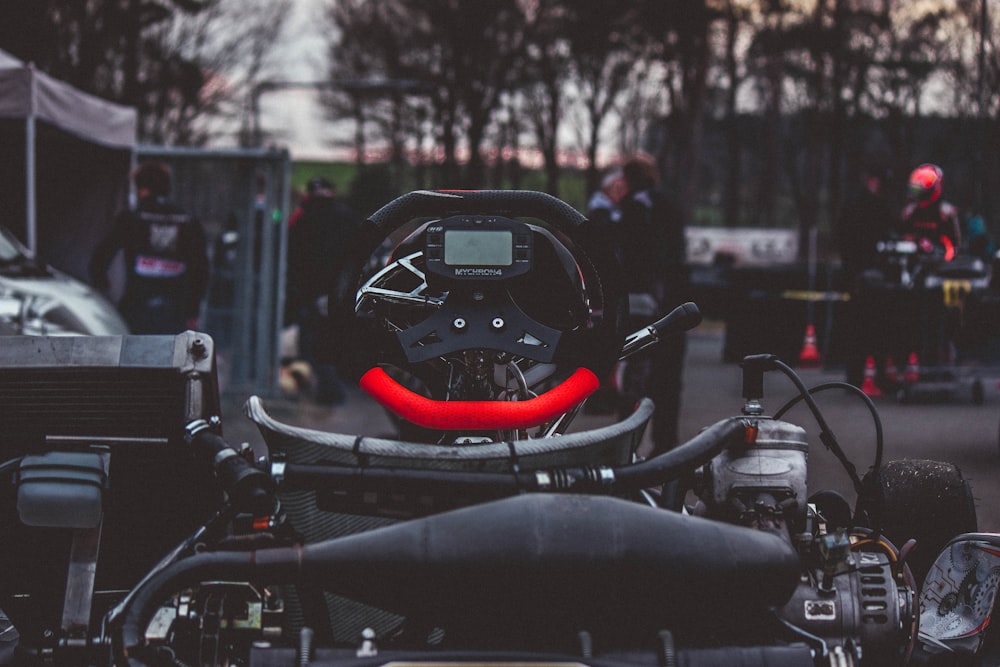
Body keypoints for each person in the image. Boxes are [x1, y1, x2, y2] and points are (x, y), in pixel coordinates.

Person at [616, 154, 689, 460]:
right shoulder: (669, 204)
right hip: (672, 299)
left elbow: (625, 254)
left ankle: (623, 439)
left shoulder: (633, 207)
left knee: (633, 371)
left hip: (639, 301)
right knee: (668, 377)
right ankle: (665, 440)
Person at [89, 162, 209, 334]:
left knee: (134, 355)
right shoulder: (188, 221)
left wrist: (103, 290)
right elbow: (201, 270)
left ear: (142, 189)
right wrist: (192, 311)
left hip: (136, 305)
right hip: (175, 309)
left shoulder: (132, 218)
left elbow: (100, 258)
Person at [286, 176, 362, 406]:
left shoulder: (303, 218)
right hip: (343, 288)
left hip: (312, 290)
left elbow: (294, 257)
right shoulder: (347, 216)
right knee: (339, 337)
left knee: (312, 341)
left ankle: (329, 389)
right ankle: (341, 383)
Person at [834, 167, 895, 388]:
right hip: (865, 278)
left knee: (862, 329)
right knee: (869, 328)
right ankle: (868, 376)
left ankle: (860, 376)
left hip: (859, 276)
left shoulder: (861, 205)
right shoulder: (867, 207)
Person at [899, 163, 962, 259]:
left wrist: (933, 248)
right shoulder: (909, 212)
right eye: (915, 190)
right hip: (912, 262)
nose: (916, 195)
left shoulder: (945, 213)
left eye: (920, 191)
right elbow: (903, 237)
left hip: (939, 265)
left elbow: (954, 248)